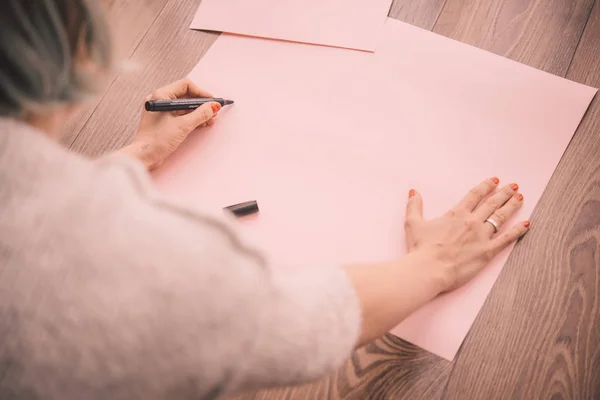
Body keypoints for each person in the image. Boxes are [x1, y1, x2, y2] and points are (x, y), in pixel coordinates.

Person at [0, 1, 530, 399]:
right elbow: (299, 324)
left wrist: (138, 153)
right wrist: (433, 263)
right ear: (71, 47)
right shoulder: (130, 258)